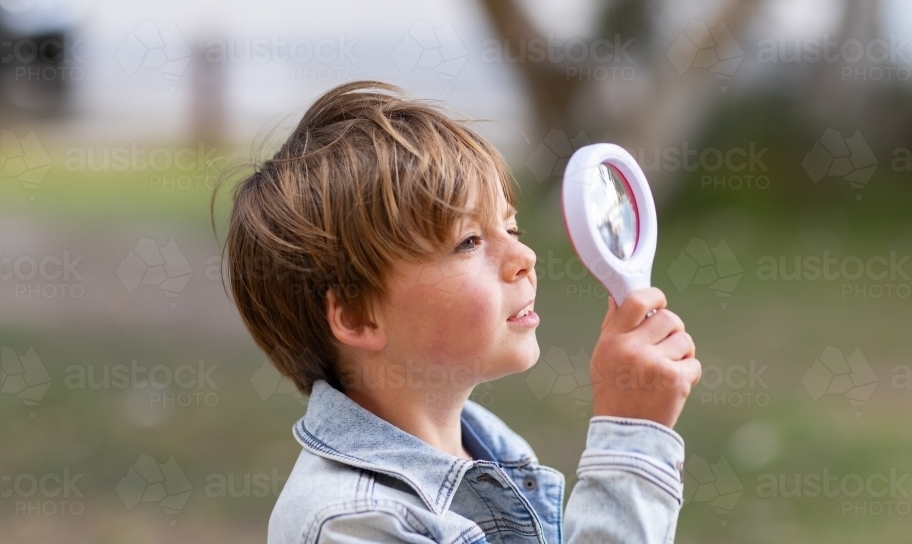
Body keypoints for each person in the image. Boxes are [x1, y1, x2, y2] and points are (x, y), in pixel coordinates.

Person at [215, 80, 702, 543]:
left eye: (512, 230)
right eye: (469, 242)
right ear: (359, 316)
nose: (524, 259)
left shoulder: (493, 448)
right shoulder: (353, 522)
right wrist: (633, 440)